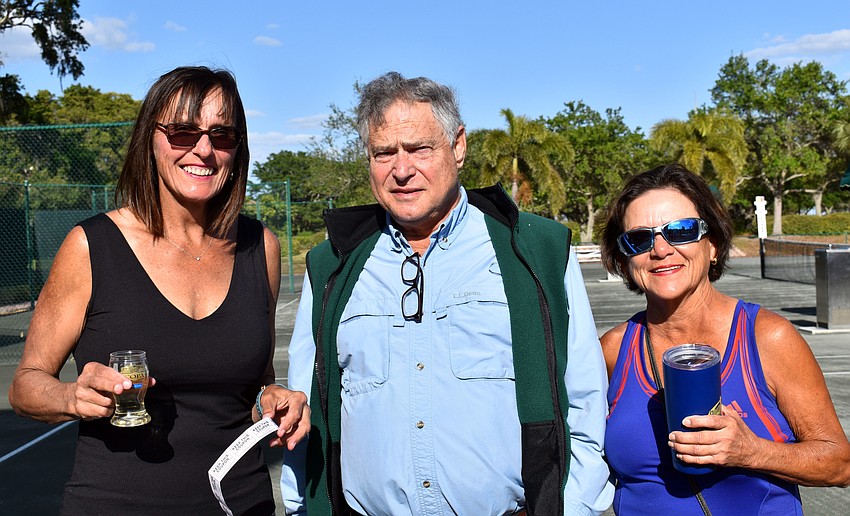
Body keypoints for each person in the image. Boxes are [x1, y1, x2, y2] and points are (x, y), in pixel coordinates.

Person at [279, 71, 612, 515]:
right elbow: (306, 410)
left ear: (457, 146)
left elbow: (584, 400)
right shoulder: (331, 266)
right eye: (384, 153)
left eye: (419, 148)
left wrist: (578, 508)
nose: (401, 170)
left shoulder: (537, 250)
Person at [8, 66, 310, 515]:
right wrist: (72, 397)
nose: (203, 150)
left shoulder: (259, 247)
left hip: (241, 504)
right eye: (183, 132)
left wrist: (273, 398)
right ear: (150, 137)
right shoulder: (91, 246)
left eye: (221, 135)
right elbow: (25, 386)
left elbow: (255, 386)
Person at [599, 163, 850, 515]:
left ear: (713, 245)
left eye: (681, 231)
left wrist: (752, 451)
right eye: (639, 239)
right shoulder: (610, 351)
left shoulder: (767, 338)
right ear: (625, 261)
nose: (660, 249)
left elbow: (839, 464)